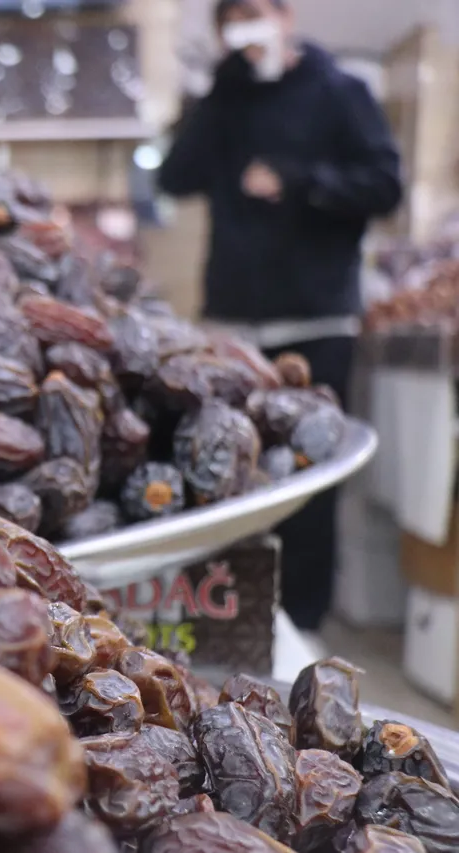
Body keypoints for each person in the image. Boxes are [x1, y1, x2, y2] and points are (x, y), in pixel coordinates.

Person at [158, 0, 403, 637]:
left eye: (257, 11)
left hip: (317, 316)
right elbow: (176, 176)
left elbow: (384, 183)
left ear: (285, 16)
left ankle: (305, 621)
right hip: (235, 322)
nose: (247, 24)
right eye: (233, 16)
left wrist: (299, 181)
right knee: (225, 473)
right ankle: (233, 626)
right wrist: (217, 93)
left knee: (310, 478)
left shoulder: (340, 92)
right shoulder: (226, 102)